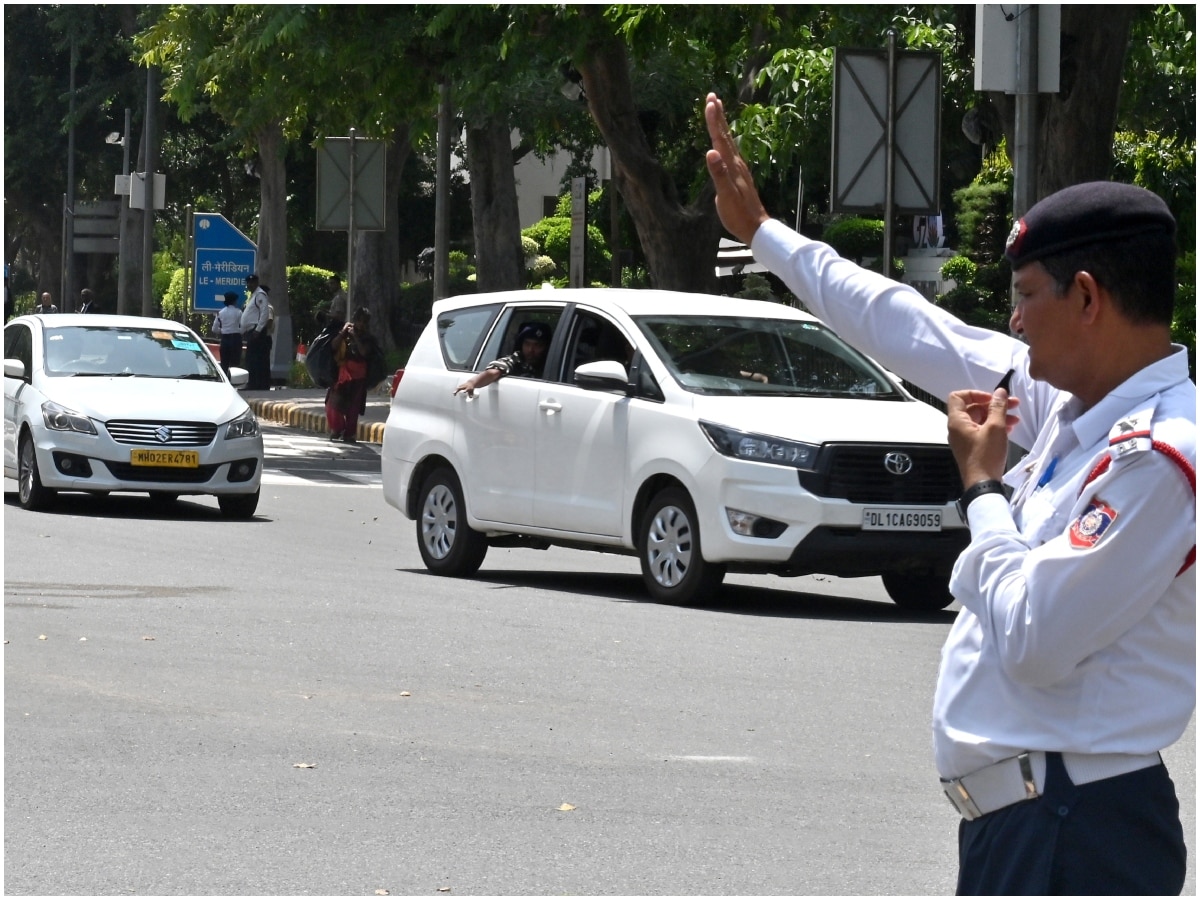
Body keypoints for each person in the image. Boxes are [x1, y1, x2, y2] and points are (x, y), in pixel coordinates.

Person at [705, 92, 1194, 895]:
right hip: (1034, 827)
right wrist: (764, 235)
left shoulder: (1157, 457)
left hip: (1077, 837)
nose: (1014, 319)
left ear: (1087, 297)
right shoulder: (1077, 408)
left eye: (1027, 294)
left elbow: (1038, 636)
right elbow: (910, 327)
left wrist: (982, 490)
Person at [326, 306, 380, 443]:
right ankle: (337, 428)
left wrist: (356, 337)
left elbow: (364, 353)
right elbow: (333, 346)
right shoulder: (346, 332)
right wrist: (343, 332)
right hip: (343, 374)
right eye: (359, 321)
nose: (361, 324)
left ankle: (349, 433)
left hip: (358, 377)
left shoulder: (369, 339)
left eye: (364, 322)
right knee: (333, 403)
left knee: (353, 407)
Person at [453, 321, 552, 396]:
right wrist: (472, 383)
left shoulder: (553, 363)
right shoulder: (516, 360)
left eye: (538, 345)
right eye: (527, 344)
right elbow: (494, 371)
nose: (531, 350)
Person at [240, 273, 272, 390]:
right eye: (248, 282)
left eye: (252, 282)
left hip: (256, 332)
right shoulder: (253, 296)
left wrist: (258, 330)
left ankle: (256, 384)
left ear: (257, 283)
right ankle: (256, 383)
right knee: (253, 359)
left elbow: (264, 313)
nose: (250, 284)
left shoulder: (260, 295)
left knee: (255, 359)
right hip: (251, 331)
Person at [213, 291, 243, 378]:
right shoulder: (239, 312)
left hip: (225, 339)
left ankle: (224, 380)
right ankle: (235, 381)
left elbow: (214, 329)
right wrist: (238, 331)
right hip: (236, 339)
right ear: (234, 301)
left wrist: (223, 330)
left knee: (224, 363)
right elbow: (243, 325)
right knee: (235, 363)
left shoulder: (220, 313)